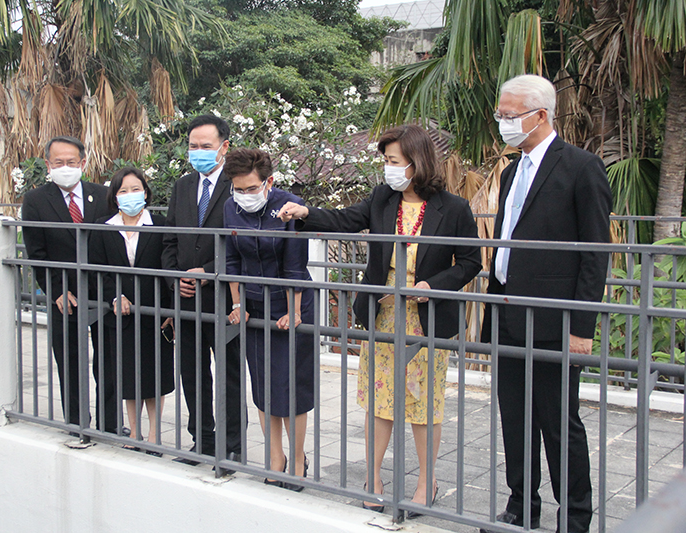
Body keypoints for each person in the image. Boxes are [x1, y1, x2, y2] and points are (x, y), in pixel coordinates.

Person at [278, 124, 481, 512]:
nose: (387, 168)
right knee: (379, 399)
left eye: (393, 161)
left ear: (416, 162)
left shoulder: (453, 208)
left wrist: (431, 285)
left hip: (427, 320)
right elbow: (345, 220)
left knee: (423, 404)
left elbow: (470, 262)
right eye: (385, 161)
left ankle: (426, 480)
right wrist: (306, 212)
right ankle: (374, 476)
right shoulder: (382, 198)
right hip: (382, 314)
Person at [479, 75, 611, 533]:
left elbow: (595, 252)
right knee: (514, 419)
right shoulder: (513, 169)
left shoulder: (580, 167)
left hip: (555, 321)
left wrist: (581, 326)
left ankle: (574, 518)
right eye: (501, 114)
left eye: (510, 115)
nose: (503, 123)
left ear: (540, 115)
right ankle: (521, 508)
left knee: (558, 424)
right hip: (508, 311)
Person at [223, 148, 315, 489]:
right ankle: (275, 455)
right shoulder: (230, 208)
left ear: (269, 181)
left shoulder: (289, 205)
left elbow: (294, 264)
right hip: (254, 304)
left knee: (290, 388)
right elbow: (231, 260)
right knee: (262, 386)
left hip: (292, 303)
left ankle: (298, 457)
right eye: (239, 189)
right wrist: (237, 303)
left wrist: (292, 310)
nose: (245, 196)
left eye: (252, 188)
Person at [162, 115, 244, 468]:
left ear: (224, 147)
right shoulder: (182, 187)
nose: (198, 152)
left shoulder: (238, 185)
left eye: (205, 147)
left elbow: (242, 242)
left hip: (226, 299)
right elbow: (167, 241)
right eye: (193, 146)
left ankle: (232, 442)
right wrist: (174, 277)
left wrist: (210, 272)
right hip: (186, 299)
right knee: (192, 372)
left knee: (228, 374)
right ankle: (203, 439)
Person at [22, 136, 117, 437]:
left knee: (109, 360)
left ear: (83, 163)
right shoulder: (35, 201)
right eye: (59, 162)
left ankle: (110, 424)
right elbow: (37, 254)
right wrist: (56, 291)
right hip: (65, 294)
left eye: (71, 162)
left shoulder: (102, 196)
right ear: (48, 164)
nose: (66, 168)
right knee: (69, 361)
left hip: (104, 293)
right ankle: (77, 423)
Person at [89, 167, 175, 451]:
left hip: (155, 313)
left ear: (146, 193)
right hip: (120, 314)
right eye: (123, 191)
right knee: (127, 373)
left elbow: (168, 269)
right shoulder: (103, 227)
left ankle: (153, 434)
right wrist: (114, 295)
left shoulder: (160, 224)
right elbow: (97, 271)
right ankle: (134, 432)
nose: (130, 195)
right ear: (114, 196)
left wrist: (169, 308)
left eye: (136, 189)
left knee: (154, 373)